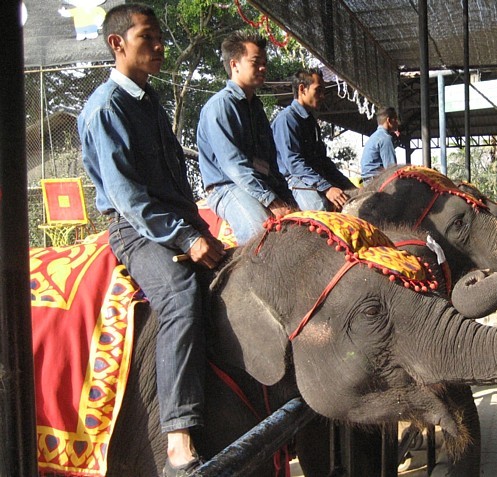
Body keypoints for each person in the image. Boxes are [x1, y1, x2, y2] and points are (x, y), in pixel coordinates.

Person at [78, 4, 226, 476]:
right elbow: (128, 198)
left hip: (176, 220)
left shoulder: (149, 99)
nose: (161, 46)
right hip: (135, 228)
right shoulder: (106, 108)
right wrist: (185, 234)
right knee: (181, 294)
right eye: (148, 37)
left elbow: (176, 184)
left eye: (161, 37)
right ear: (117, 44)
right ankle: (178, 437)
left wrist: (200, 230)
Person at [197, 32, 296, 245]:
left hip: (260, 183)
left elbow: (271, 165)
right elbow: (234, 167)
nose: (263, 68)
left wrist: (290, 202)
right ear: (235, 65)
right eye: (255, 62)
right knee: (264, 238)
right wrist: (272, 201)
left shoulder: (257, 108)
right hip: (227, 187)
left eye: (264, 62)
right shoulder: (220, 106)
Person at [272, 69, 356, 211]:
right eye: (318, 90)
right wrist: (327, 188)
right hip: (293, 180)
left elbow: (323, 161)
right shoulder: (287, 120)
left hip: (312, 177)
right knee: (321, 210)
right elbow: (294, 164)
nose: (322, 96)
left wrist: (352, 189)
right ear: (302, 89)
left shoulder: (311, 122)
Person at [360, 106, 400, 182]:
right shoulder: (385, 138)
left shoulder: (375, 136)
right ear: (389, 120)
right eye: (395, 119)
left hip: (367, 179)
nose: (397, 122)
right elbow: (391, 168)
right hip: (375, 180)